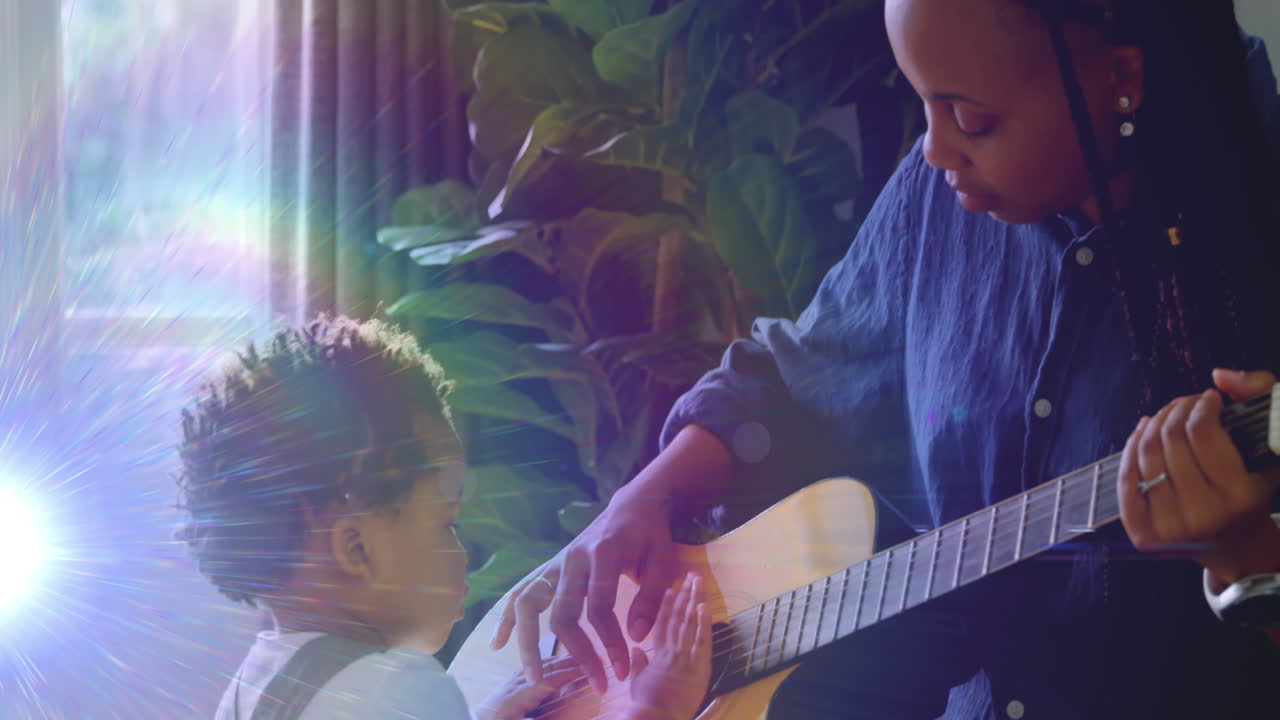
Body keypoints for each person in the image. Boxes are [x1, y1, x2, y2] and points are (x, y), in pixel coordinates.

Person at [491, 0, 1280, 717]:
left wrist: (1250, 560)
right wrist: (642, 502)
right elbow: (794, 379)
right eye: (922, 101)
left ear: (1123, 77)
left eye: (972, 118)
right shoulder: (943, 190)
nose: (934, 152)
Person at [175, 315, 711, 720]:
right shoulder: (401, 687)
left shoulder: (251, 690)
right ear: (357, 550)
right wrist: (655, 711)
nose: (464, 551)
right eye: (444, 524)